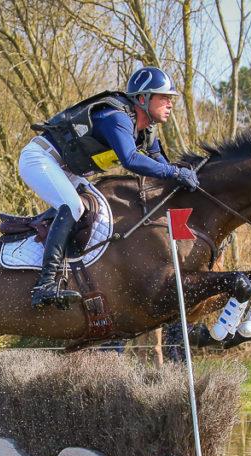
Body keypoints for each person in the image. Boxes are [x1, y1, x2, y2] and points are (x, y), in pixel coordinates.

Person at [21, 66, 201, 310]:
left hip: (67, 170)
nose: (170, 104)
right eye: (164, 98)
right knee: (72, 205)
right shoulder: (116, 117)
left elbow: (161, 165)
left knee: (100, 209)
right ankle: (45, 285)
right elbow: (131, 160)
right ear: (142, 99)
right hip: (41, 159)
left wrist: (183, 181)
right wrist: (176, 173)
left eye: (171, 99)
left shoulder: (147, 130)